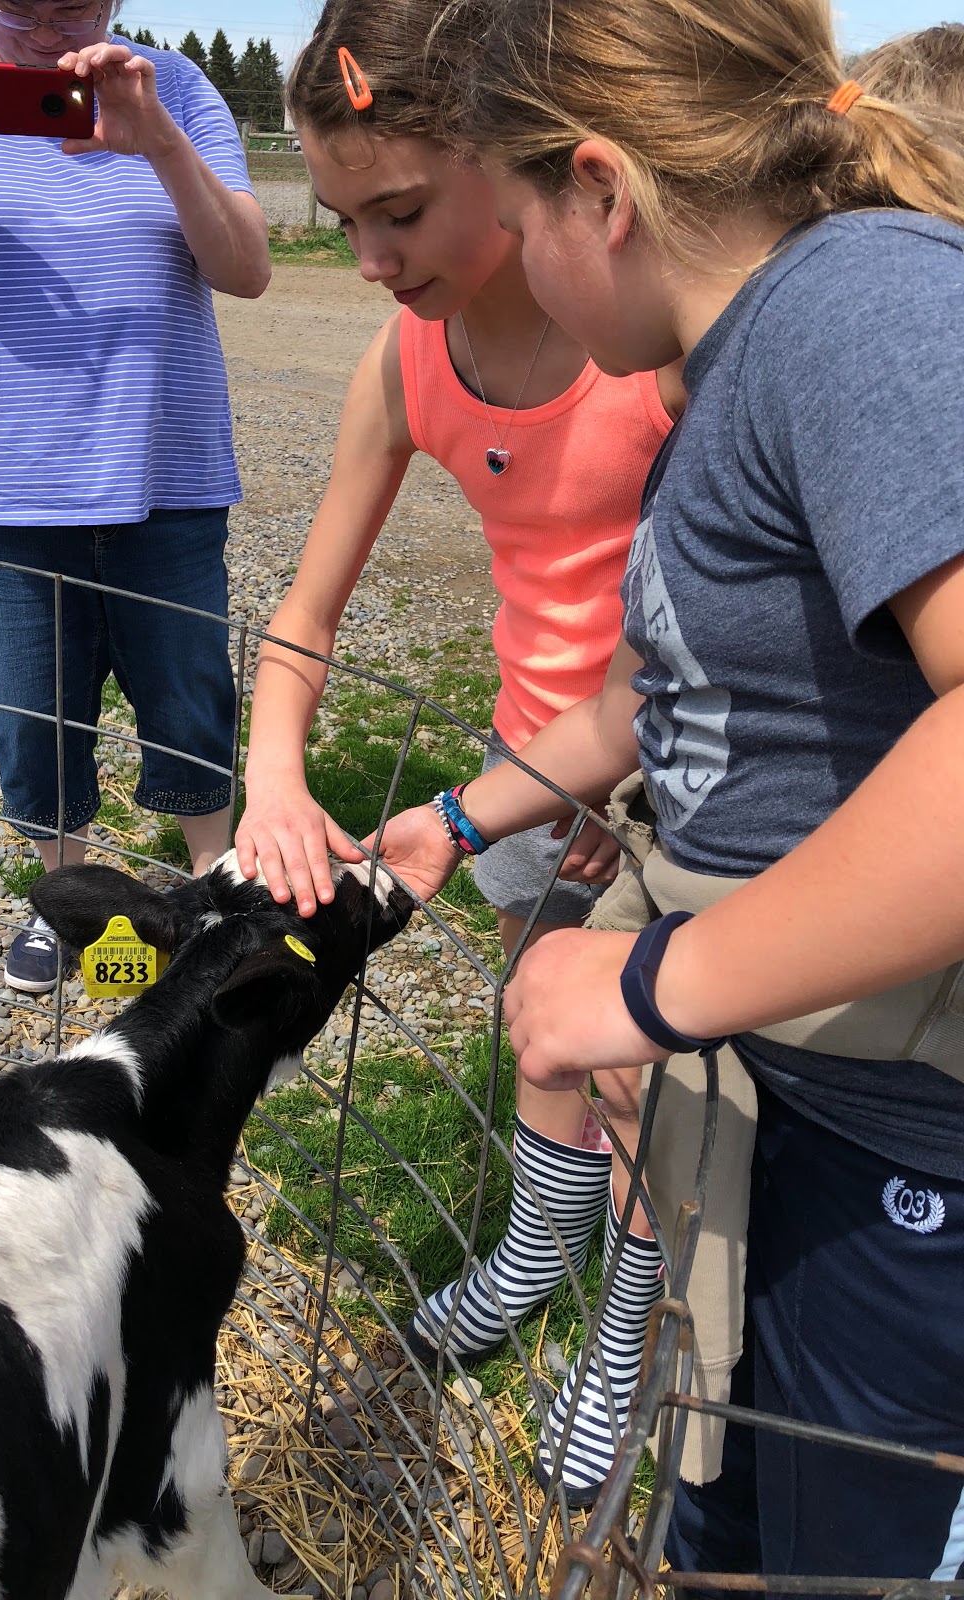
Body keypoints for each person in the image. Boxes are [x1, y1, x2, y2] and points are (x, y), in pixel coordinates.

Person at [366, 0, 964, 1580]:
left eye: (513, 218)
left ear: (603, 191)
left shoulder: (860, 315)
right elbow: (675, 679)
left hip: (907, 1153)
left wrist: (650, 983)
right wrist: (464, 812)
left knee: (840, 1555)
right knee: (729, 1521)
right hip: (795, 1101)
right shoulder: (741, 356)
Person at [233, 0, 684, 1503]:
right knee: (538, 1023)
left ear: (508, 149)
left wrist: (616, 784)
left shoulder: (652, 335)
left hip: (662, 767)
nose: (369, 259)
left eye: (403, 211)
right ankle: (527, 1257)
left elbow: (693, 629)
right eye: (342, 218)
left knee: (642, 1087)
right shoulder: (405, 357)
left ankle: (627, 1328)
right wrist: (274, 775)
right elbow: (304, 607)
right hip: (519, 767)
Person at [0, 1, 271, 993]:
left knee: (191, 695)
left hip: (164, 470)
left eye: (68, 3)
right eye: (13, 4)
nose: (38, 24)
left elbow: (245, 269)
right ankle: (67, 905)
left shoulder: (177, 90)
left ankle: (217, 888)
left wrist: (156, 140)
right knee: (31, 716)